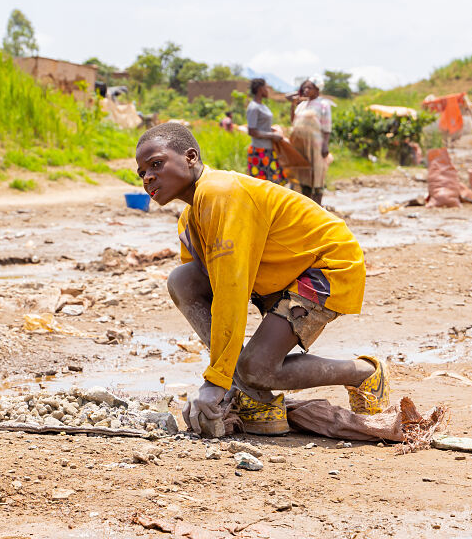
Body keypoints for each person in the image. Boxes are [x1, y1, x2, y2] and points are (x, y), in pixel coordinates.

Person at [135, 123, 388, 437]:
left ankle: (364, 373)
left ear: (190, 157)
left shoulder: (220, 193)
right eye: (141, 172)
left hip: (325, 265)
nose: (147, 177)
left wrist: (216, 382)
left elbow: (231, 292)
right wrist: (226, 381)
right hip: (278, 273)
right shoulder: (189, 220)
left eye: (156, 164)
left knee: (257, 368)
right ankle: (257, 399)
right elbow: (212, 294)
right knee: (182, 280)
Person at [287, 80, 333, 205]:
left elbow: (326, 126)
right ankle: (308, 207)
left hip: (316, 146)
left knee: (317, 176)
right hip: (300, 146)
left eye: (309, 88)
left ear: (317, 89)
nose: (306, 90)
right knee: (303, 176)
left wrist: (325, 145)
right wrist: (293, 104)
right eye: (305, 88)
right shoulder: (302, 105)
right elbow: (293, 121)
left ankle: (318, 206)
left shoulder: (323, 104)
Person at [245, 78, 288, 184]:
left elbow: (262, 126)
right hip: (259, 151)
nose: (268, 90)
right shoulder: (253, 107)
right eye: (266, 87)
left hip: (268, 150)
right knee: (262, 185)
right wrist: (272, 135)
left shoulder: (262, 106)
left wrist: (273, 130)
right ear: (260, 89)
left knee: (273, 183)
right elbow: (252, 131)